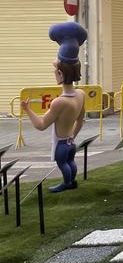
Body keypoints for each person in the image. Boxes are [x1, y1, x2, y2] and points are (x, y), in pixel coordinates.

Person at [21, 23, 87, 193]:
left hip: (61, 144)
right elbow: (81, 121)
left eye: (55, 70)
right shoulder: (81, 94)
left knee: (62, 163)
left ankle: (67, 183)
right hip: (70, 141)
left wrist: (27, 109)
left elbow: (41, 125)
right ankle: (71, 181)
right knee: (70, 161)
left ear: (60, 74)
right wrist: (72, 137)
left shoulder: (59, 102)